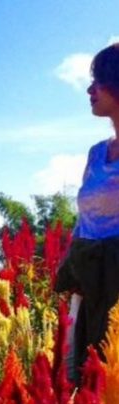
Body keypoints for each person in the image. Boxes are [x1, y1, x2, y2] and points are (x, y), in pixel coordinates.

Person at [55, 42, 119, 384]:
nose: (89, 90)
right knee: (83, 385)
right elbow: (84, 223)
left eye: (98, 81)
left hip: (118, 288)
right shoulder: (96, 155)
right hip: (89, 285)